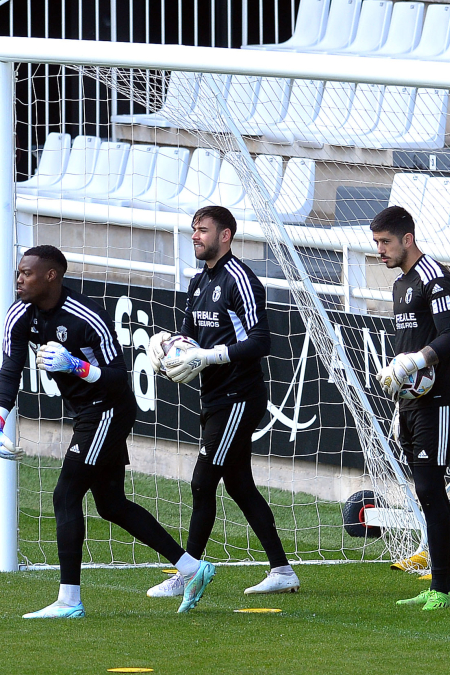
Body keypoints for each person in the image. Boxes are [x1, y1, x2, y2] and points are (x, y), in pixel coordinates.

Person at [0, 245, 216, 618]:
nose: (18, 279)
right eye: (18, 272)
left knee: (65, 494)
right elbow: (9, 370)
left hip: (108, 408)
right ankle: (192, 567)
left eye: (26, 273)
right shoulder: (19, 314)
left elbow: (118, 378)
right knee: (110, 504)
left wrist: (76, 366)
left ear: (51, 276)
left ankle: (69, 601)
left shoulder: (87, 317)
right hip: (85, 411)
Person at [147, 205, 300, 598]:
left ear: (226, 235)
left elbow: (261, 341)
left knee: (202, 482)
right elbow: (187, 340)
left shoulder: (240, 279)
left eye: (202, 230)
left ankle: (188, 572)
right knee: (239, 485)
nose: (195, 236)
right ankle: (282, 571)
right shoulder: (198, 282)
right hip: (214, 395)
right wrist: (167, 351)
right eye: (194, 230)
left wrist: (210, 356)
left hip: (238, 396)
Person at [370, 205, 450, 611]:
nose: (380, 250)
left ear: (407, 239)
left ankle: (442, 589)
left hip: (439, 399)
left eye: (385, 242)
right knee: (423, 490)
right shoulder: (400, 284)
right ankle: (437, 585)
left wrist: (416, 359)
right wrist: (398, 388)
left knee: (430, 487)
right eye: (376, 242)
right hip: (411, 403)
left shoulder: (436, 279)